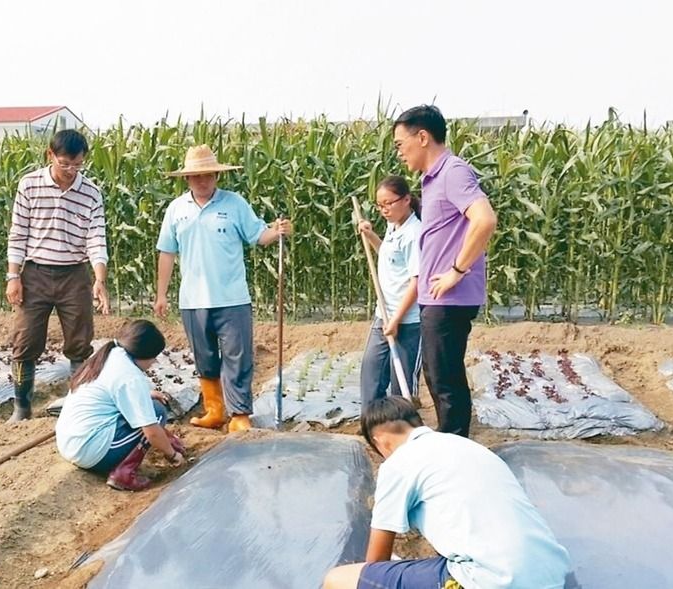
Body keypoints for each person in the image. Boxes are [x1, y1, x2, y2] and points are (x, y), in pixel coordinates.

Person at [322, 397, 573, 589]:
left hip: (495, 581)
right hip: (552, 575)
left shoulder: (398, 464)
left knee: (339, 579)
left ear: (379, 440)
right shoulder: (469, 448)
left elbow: (376, 562)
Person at [153, 145, 292, 432]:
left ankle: (239, 413)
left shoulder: (234, 204)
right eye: (196, 176)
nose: (202, 180)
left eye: (208, 175)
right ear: (187, 179)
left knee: (237, 355)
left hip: (232, 297)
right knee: (204, 357)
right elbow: (167, 252)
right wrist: (161, 294)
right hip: (193, 299)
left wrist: (276, 231)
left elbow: (258, 235)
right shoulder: (176, 209)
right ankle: (214, 410)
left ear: (217, 175)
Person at [393, 105, 497, 437]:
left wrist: (456, 270)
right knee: (439, 376)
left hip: (450, 296)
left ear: (422, 137)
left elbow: (485, 219)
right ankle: (452, 442)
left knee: (444, 378)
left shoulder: (453, 172)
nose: (399, 153)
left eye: (400, 143)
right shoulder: (432, 179)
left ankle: (454, 449)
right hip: (438, 297)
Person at [6, 129, 111, 422]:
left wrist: (99, 278)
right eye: (65, 163)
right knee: (25, 341)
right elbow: (18, 233)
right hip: (35, 273)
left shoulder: (90, 192)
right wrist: (13, 276)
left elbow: (96, 237)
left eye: (77, 165)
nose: (71, 170)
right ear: (50, 155)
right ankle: (21, 408)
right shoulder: (29, 185)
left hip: (74, 275)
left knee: (80, 342)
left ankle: (79, 409)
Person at [55, 320, 186, 491]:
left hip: (70, 442)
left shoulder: (111, 354)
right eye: (154, 358)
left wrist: (145, 396)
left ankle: (129, 459)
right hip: (89, 450)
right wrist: (173, 455)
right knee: (157, 413)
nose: (154, 362)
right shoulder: (130, 376)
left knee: (147, 408)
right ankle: (124, 474)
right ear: (144, 353)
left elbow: (114, 393)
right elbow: (151, 432)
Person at [357, 175, 422, 409]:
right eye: (379, 205)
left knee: (401, 386)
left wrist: (396, 320)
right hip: (383, 315)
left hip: (408, 321)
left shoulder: (415, 233)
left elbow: (417, 282)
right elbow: (388, 254)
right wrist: (370, 234)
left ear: (406, 200)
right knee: (371, 374)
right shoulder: (394, 226)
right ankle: (372, 424)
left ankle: (405, 430)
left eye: (388, 203)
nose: (383, 210)